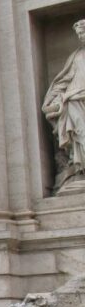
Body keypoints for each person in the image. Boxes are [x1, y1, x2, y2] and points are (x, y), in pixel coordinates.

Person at [43, 19, 85, 186]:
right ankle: (81, 166)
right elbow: (63, 80)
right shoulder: (76, 56)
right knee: (80, 132)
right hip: (75, 100)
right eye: (80, 34)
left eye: (83, 32)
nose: (82, 36)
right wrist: (52, 100)